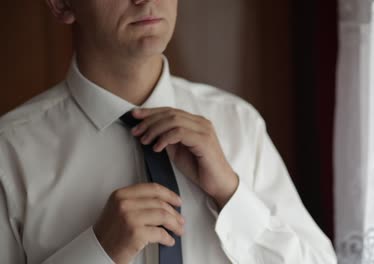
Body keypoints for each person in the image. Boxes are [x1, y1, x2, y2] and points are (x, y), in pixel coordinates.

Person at [0, 0, 337, 263]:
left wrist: (232, 195)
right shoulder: (10, 150)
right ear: (61, 4)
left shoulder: (239, 124)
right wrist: (98, 252)